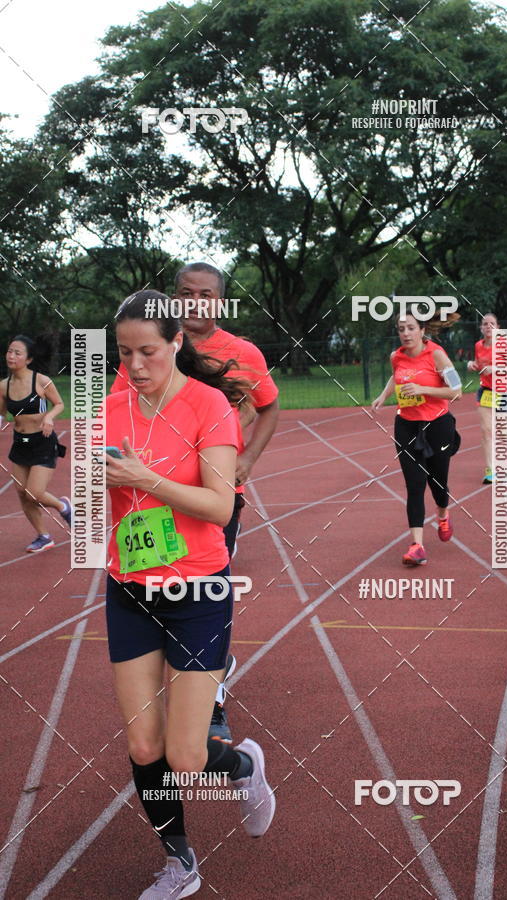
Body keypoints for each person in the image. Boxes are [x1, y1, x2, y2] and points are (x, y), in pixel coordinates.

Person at [104, 291, 275, 899]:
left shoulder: (208, 406)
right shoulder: (112, 406)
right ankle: (180, 862)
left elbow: (220, 504)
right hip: (129, 587)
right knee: (143, 744)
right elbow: (112, 501)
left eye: (148, 350)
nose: (136, 364)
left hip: (196, 589)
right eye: (124, 353)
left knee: (184, 755)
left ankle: (243, 766)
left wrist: (145, 478)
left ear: (176, 342)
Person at [110, 262, 280, 743]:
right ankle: (171, 687)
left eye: (205, 294)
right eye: (185, 293)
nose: (194, 302)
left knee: (203, 582)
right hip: (148, 502)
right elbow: (121, 416)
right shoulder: (147, 353)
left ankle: (210, 696)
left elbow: (269, 406)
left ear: (220, 302)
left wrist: (247, 458)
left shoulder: (242, 353)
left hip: (212, 495)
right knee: (154, 585)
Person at [372, 312, 462, 566]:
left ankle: (443, 514)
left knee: (437, 482)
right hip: (407, 426)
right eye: (401, 329)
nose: (406, 333)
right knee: (414, 484)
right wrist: (384, 395)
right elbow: (396, 375)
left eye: (411, 328)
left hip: (438, 425)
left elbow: (457, 392)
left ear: (422, 330)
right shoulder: (396, 356)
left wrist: (424, 389)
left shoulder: (437, 355)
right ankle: (417, 545)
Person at [0, 335, 71, 552]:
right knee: (22, 493)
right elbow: (1, 415)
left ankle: (64, 506)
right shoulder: (3, 386)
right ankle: (44, 536)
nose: (11, 356)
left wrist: (49, 417)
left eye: (17, 353)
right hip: (20, 444)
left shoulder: (41, 381)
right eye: (10, 351)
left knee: (34, 492)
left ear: (28, 359)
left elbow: (59, 404)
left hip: (43, 442)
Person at [466, 313, 504, 484]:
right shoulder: (478, 345)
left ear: (498, 327)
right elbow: (478, 363)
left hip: (505, 391)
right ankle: (490, 469)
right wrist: (471, 365)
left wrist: (495, 369)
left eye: (492, 324)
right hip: (487, 391)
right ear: (481, 328)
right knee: (486, 431)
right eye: (485, 324)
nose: (488, 326)